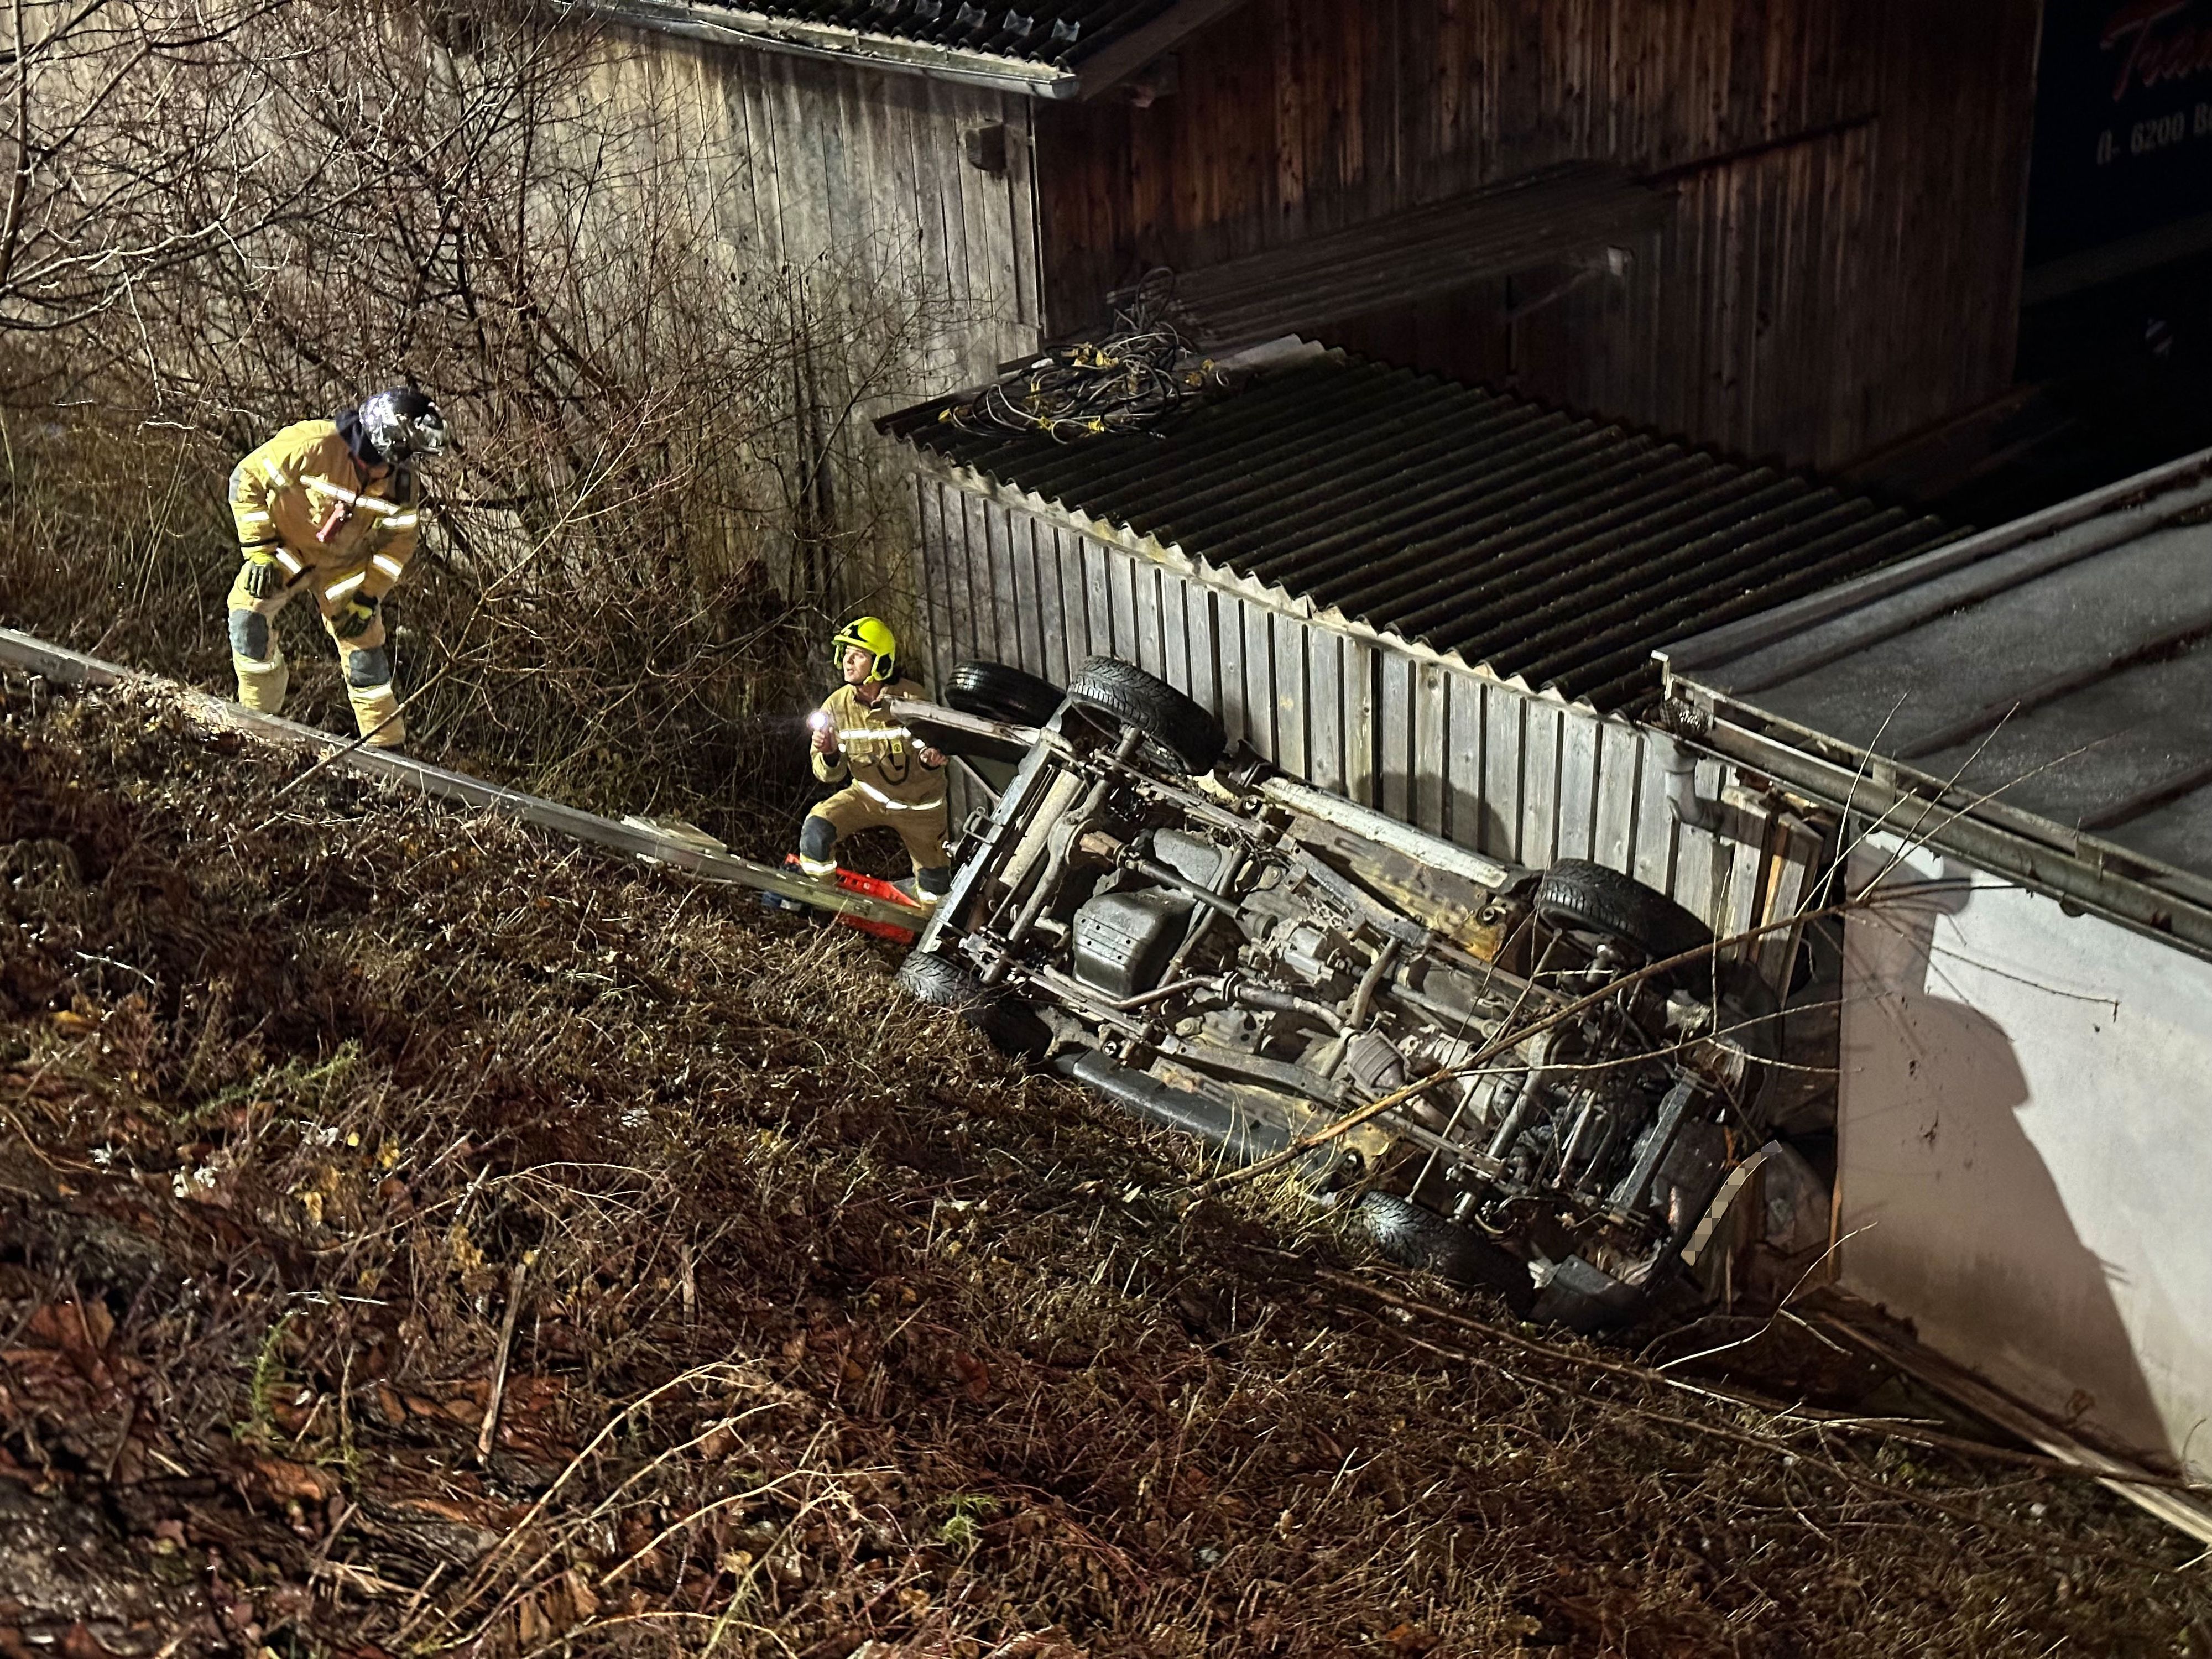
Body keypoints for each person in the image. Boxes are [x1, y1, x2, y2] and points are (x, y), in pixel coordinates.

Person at [225, 388, 448, 748]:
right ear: (385, 439)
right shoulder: (312, 445)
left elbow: (400, 544)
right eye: (404, 451)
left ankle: (388, 750)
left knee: (365, 657)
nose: (403, 463)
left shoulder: (400, 485)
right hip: (285, 552)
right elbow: (246, 479)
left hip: (344, 569)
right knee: (247, 620)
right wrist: (259, 551)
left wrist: (368, 596)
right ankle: (258, 727)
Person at [797, 617, 952, 901]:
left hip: (919, 808)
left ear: (880, 662)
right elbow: (826, 774)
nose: (848, 661)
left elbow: (931, 749)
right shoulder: (836, 705)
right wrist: (830, 753)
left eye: (858, 655)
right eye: (845, 653)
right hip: (868, 797)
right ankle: (824, 900)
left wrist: (930, 759)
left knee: (935, 890)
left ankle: (928, 933)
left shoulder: (912, 698)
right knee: (817, 830)